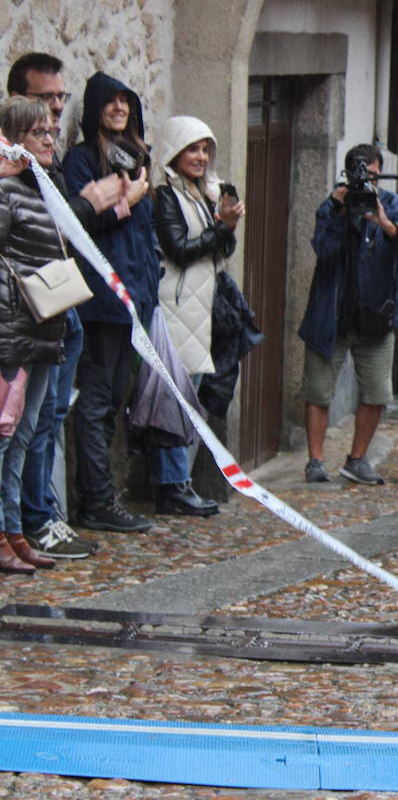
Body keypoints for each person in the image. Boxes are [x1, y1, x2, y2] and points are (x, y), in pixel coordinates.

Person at [8, 55, 124, 558]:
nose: (55, 116)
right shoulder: (12, 179)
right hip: (21, 320)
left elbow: (58, 231)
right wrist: (92, 202)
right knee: (16, 431)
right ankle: (27, 521)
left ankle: (23, 524)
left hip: (54, 314)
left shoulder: (44, 170)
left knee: (42, 424)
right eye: (43, 103)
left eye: (60, 100)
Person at [64, 72, 158, 534]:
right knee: (96, 401)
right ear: (96, 107)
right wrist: (125, 201)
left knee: (113, 402)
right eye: (111, 101)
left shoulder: (138, 158)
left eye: (126, 101)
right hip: (101, 301)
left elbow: (145, 236)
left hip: (131, 302)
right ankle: (97, 501)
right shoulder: (82, 161)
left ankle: (100, 496)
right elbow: (77, 227)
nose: (119, 107)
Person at [298, 143, 398, 485]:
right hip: (332, 316)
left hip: (376, 317)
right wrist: (339, 211)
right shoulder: (332, 206)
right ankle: (315, 461)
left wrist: (384, 223)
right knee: (318, 391)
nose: (367, 183)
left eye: (374, 176)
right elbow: (322, 249)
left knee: (377, 393)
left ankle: (357, 458)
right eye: (362, 176)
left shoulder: (393, 205)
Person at [151, 117, 244, 516]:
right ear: (175, 151)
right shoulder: (165, 196)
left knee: (197, 394)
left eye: (205, 149)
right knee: (180, 398)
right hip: (178, 306)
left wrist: (227, 226)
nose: (201, 157)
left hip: (202, 307)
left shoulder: (202, 193)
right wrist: (220, 227)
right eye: (193, 149)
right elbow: (179, 249)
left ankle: (181, 481)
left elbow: (219, 251)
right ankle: (173, 485)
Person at [0, 98, 77, 572]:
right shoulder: (6, 192)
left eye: (50, 132)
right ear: (13, 141)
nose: (48, 140)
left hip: (46, 327)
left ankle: (14, 531)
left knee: (26, 434)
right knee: (4, 436)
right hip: (13, 330)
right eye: (36, 134)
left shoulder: (49, 188)